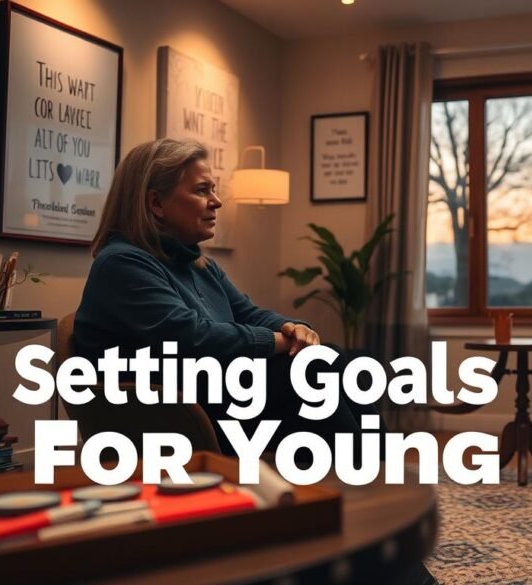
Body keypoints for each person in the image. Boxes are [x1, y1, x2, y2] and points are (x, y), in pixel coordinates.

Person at [75, 138, 439, 585]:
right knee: (316, 379)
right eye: (203, 190)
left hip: (224, 393)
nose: (217, 201)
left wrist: (293, 329)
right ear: (155, 202)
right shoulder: (123, 264)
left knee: (346, 366)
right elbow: (193, 338)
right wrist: (279, 344)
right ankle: (384, 550)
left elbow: (249, 313)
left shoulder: (197, 265)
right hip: (176, 413)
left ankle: (378, 522)